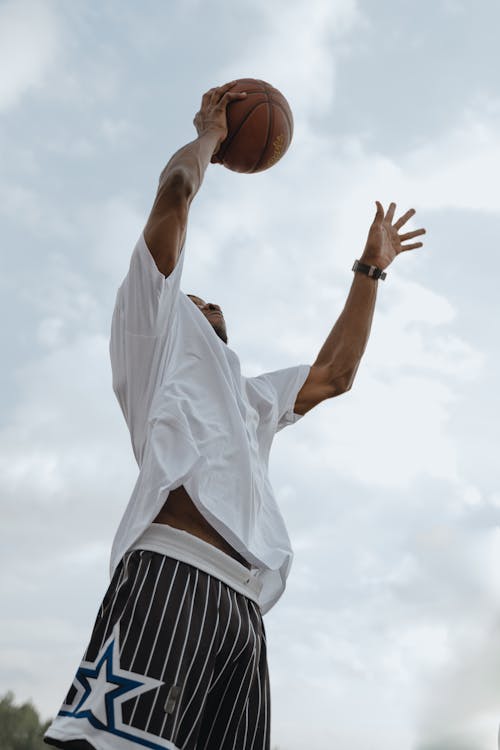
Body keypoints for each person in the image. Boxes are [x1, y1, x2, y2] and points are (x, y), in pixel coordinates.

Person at [44, 82, 426, 750]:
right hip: (176, 573)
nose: (208, 301)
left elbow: (336, 374)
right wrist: (213, 137)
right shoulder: (155, 336)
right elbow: (174, 197)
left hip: (245, 610)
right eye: (197, 296)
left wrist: (370, 269)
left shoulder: (251, 397)